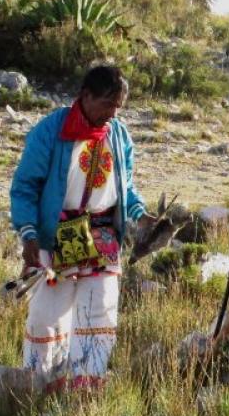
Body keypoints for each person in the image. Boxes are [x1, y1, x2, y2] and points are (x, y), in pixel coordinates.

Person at [10, 65, 152, 393]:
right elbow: (26, 186)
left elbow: (125, 185)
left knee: (98, 309)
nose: (112, 114)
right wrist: (28, 233)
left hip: (102, 232)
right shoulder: (50, 131)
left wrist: (140, 214)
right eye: (107, 104)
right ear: (85, 96)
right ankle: (42, 382)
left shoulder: (118, 135)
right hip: (55, 233)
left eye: (118, 107)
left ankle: (85, 386)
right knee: (48, 311)